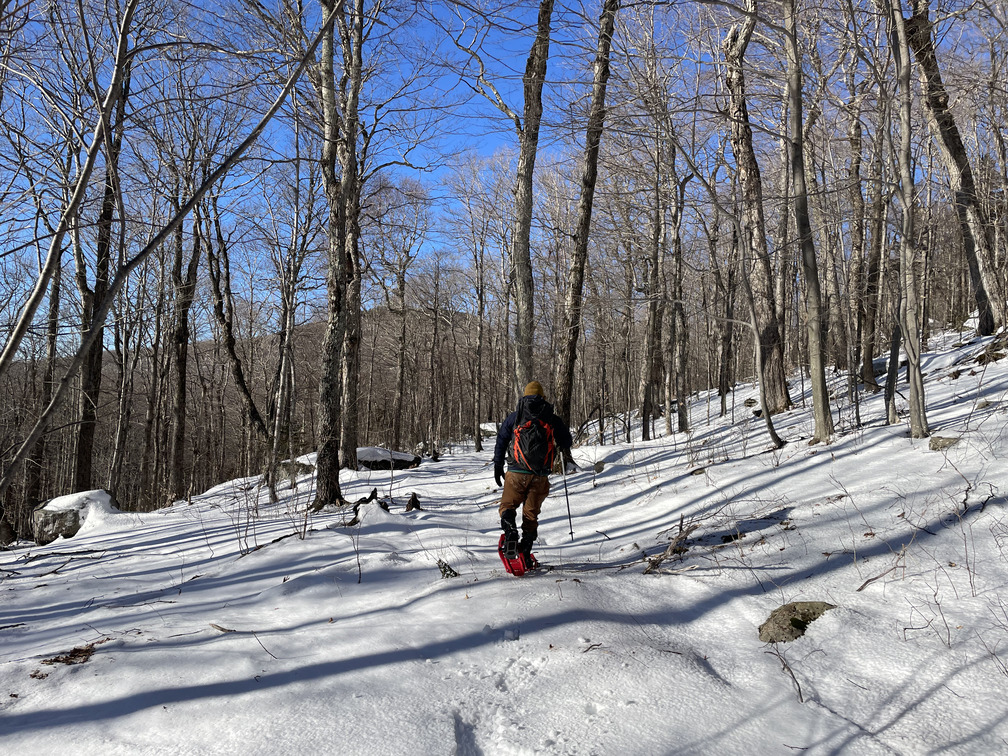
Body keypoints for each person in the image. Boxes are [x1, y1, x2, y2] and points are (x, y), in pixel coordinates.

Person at [493, 381, 573, 569]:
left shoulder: (516, 416)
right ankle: (525, 552)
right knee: (530, 515)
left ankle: (510, 530)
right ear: (543, 397)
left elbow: (502, 439)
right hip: (540, 475)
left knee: (507, 506)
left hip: (516, 472)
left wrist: (498, 464)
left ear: (525, 396)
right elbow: (567, 441)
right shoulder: (551, 418)